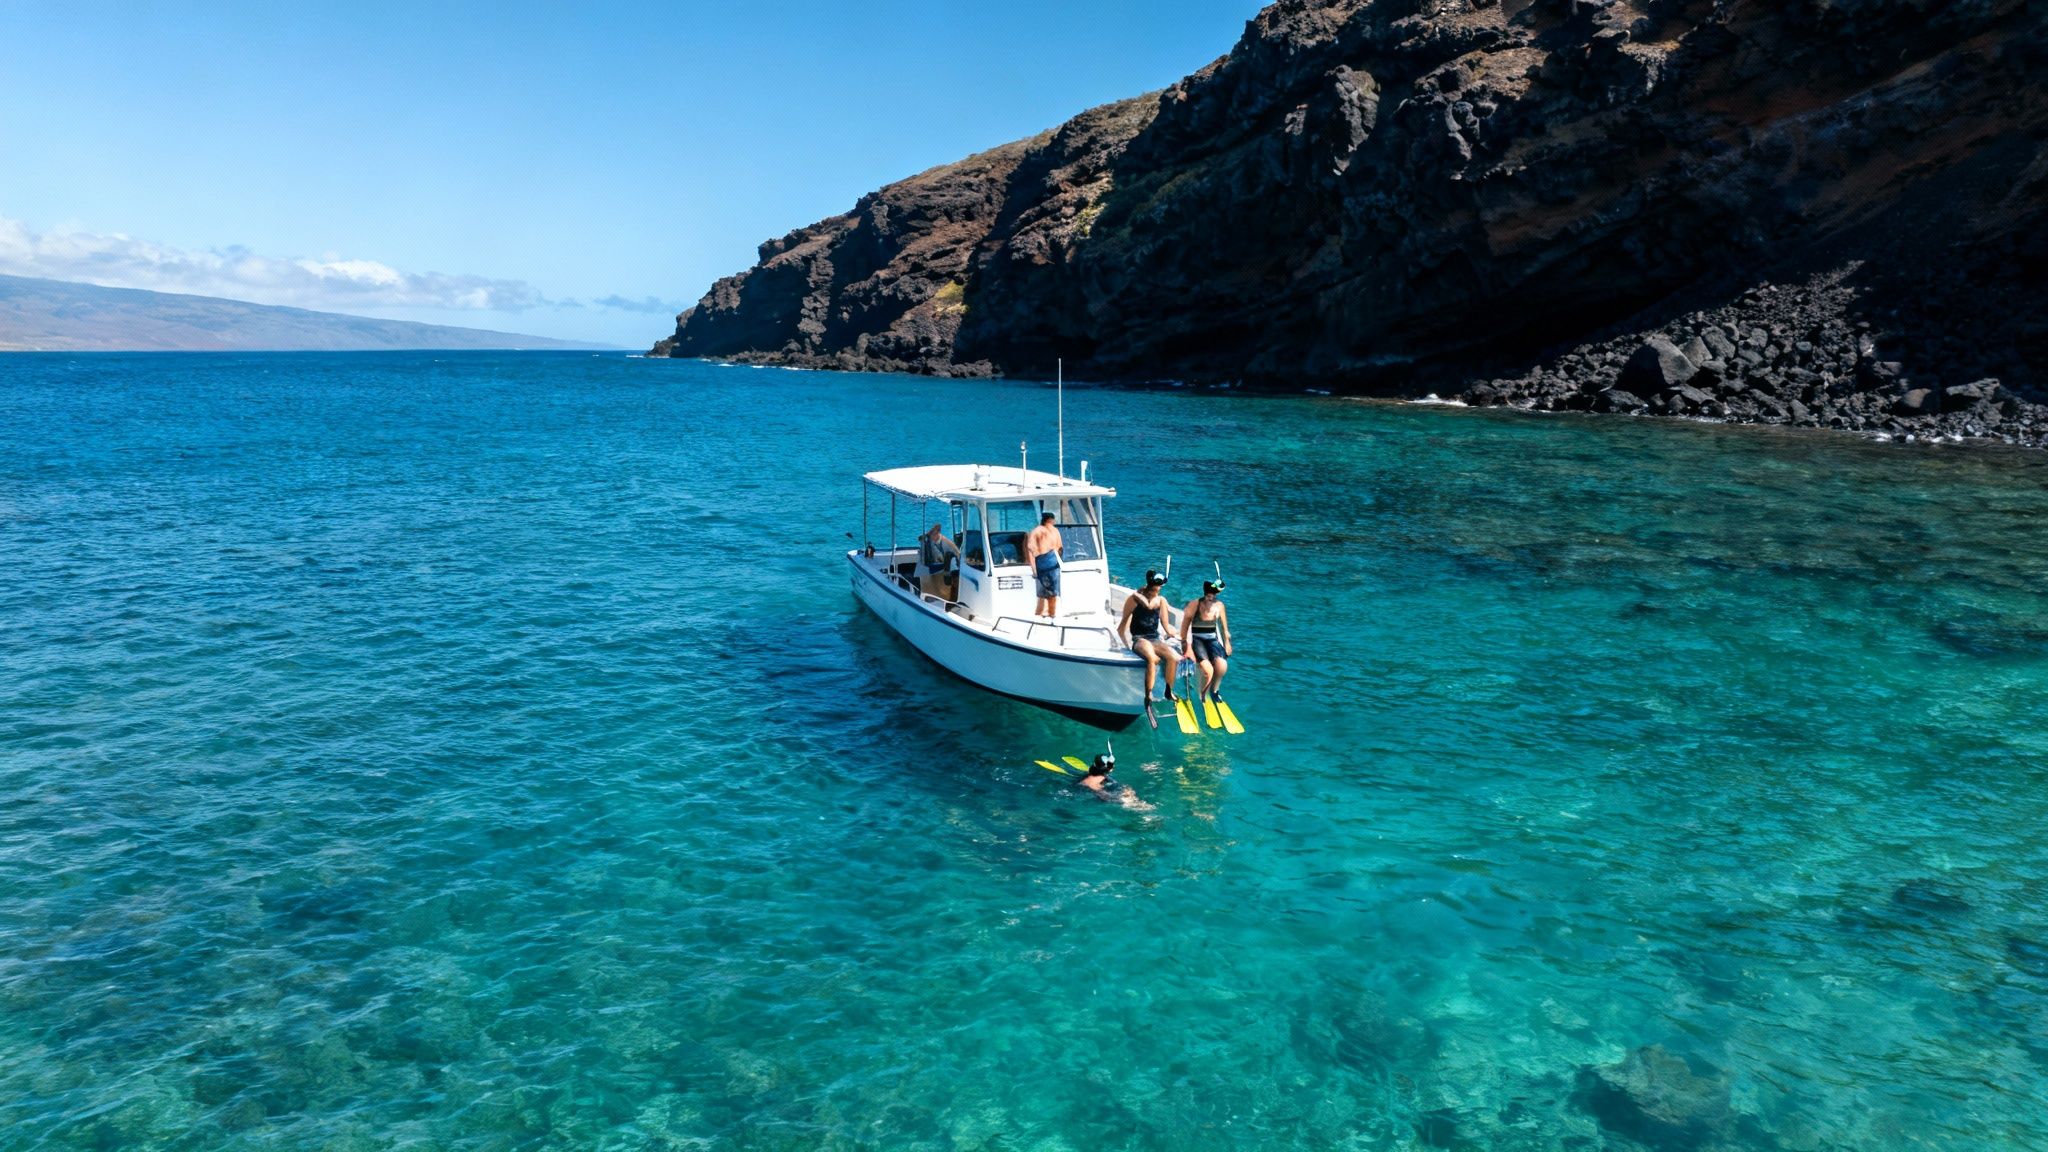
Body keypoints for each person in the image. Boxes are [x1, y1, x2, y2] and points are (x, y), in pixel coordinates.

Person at [1118, 570, 1181, 708]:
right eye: (1156, 586)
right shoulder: (1135, 599)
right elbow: (1122, 626)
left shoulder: (1161, 600)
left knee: (1174, 658)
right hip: (1139, 639)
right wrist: (1126, 644)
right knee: (1152, 659)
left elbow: (1166, 626)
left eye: (1159, 586)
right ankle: (1148, 696)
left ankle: (1168, 691)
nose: (1158, 589)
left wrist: (1177, 635)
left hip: (1155, 639)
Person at [1180, 579, 1233, 703]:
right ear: (1205, 594)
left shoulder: (1219, 606)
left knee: (1222, 665)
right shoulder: (1195, 605)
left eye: (1213, 596)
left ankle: (1214, 691)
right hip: (1197, 639)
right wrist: (1186, 645)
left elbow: (1224, 627)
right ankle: (1202, 694)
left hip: (1211, 638)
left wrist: (1227, 642)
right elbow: (1185, 626)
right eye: (1209, 596)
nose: (1211, 599)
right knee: (1208, 669)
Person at [1076, 753, 1152, 811]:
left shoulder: (1096, 773)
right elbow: (1106, 797)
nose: (1114, 766)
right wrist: (1125, 800)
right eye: (1112, 765)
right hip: (1089, 797)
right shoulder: (1092, 784)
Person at [1023, 511, 1064, 618]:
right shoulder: (1055, 531)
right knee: (1052, 589)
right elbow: (1060, 548)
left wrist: (1034, 564)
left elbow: (1030, 547)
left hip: (1044, 560)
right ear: (1051, 520)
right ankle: (1051, 613)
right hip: (1054, 561)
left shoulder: (1036, 531)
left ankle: (1042, 613)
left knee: (1044, 588)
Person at [917, 523, 959, 600]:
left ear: (937, 533)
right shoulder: (929, 542)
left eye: (932, 533)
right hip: (932, 571)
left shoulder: (948, 544)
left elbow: (956, 557)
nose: (930, 536)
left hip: (947, 571)